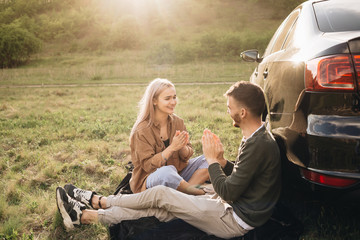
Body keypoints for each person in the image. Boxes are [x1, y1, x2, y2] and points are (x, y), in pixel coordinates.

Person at [56, 81, 281, 239]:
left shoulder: (258, 144)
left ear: (242, 113)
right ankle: (85, 216)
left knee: (161, 197)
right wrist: (223, 163)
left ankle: (100, 201)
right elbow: (242, 177)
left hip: (234, 218)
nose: (227, 111)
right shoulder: (256, 137)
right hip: (233, 206)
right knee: (160, 209)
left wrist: (213, 162)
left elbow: (229, 192)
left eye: (229, 107)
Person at [129, 78, 209, 195]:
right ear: (154, 101)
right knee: (167, 171)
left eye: (174, 97)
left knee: (209, 159)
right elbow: (147, 166)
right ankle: (193, 191)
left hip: (177, 175)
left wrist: (182, 148)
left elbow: (187, 154)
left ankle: (186, 192)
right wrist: (172, 148)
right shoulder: (142, 130)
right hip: (151, 180)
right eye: (167, 98)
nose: (173, 102)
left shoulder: (178, 122)